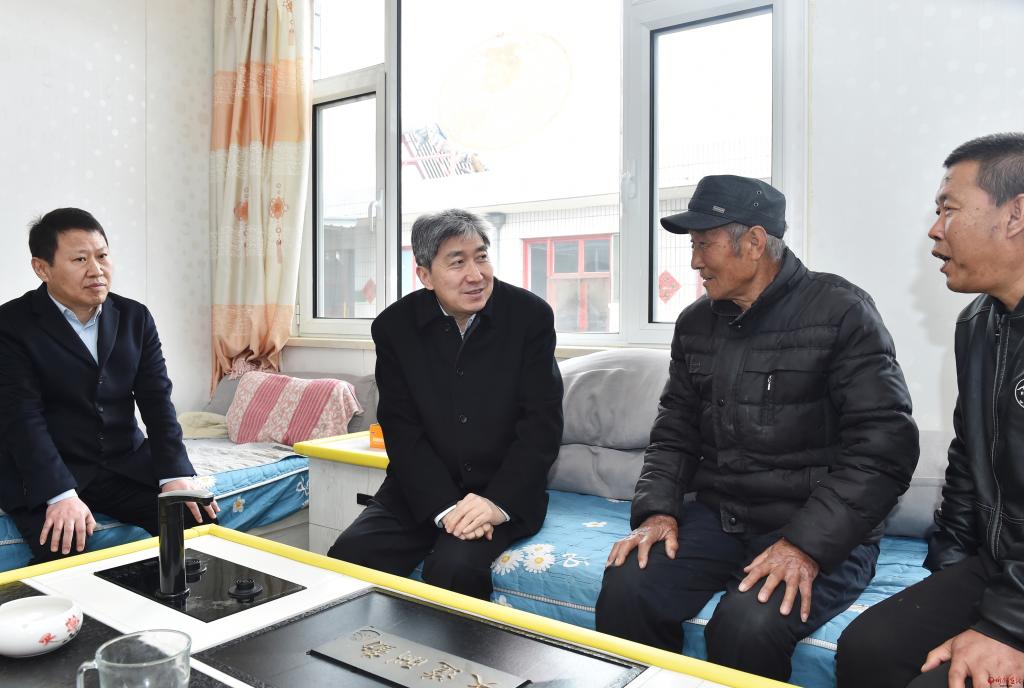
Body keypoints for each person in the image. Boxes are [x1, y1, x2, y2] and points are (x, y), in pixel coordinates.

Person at [596, 175, 919, 681]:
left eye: (703, 244)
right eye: (692, 246)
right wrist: (657, 511)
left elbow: (883, 449)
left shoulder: (841, 313)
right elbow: (674, 431)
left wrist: (804, 546)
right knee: (627, 588)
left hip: (816, 526)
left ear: (753, 241)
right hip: (720, 517)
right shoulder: (695, 324)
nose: (694, 261)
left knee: (746, 625)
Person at [837, 133, 1024, 688]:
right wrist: (949, 575)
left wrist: (1006, 629)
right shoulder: (978, 326)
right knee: (868, 650)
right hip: (1002, 564)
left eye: (949, 209)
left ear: (1016, 215)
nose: (934, 229)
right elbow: (968, 461)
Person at [327, 209, 564, 599]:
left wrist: (495, 503)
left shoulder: (529, 316)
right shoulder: (394, 327)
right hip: (418, 488)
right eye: (457, 262)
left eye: (481, 257)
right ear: (425, 275)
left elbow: (541, 424)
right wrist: (443, 508)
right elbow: (401, 428)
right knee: (350, 557)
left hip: (501, 488)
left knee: (455, 568)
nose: (476, 274)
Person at [0, 208, 218, 564]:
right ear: (42, 268)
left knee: (195, 520)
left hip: (123, 463)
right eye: (80, 259)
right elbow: (22, 417)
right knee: (65, 551)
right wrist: (60, 495)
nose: (96, 270)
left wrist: (175, 473)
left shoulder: (135, 317)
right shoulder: (11, 325)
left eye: (102, 256)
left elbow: (157, 401)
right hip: (49, 468)